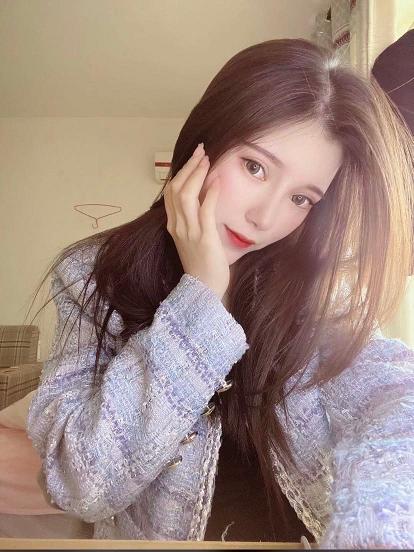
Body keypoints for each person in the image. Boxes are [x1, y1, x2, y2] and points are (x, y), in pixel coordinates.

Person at [25, 38, 414, 547]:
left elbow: (393, 399)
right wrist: (202, 295)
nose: (265, 217)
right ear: (204, 143)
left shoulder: (316, 288)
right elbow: (80, 485)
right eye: (255, 167)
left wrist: (377, 528)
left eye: (301, 198)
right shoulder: (93, 274)